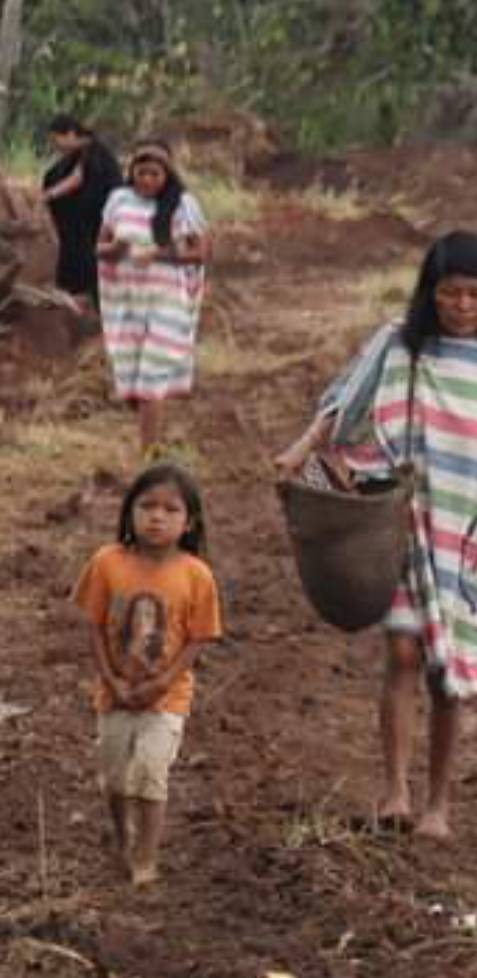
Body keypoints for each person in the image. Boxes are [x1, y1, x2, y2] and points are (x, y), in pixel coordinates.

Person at [273, 232, 477, 838]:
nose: (463, 306)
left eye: (476, 294)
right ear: (430, 292)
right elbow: (346, 401)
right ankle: (395, 790)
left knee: (448, 674)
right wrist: (301, 450)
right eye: (451, 293)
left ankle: (439, 803)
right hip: (405, 523)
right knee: (404, 653)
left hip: (471, 534)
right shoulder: (400, 344)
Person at [72, 462, 223, 885]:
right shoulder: (107, 563)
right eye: (147, 506)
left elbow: (199, 637)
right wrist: (111, 680)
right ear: (130, 512)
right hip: (114, 694)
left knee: (151, 775)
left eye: (170, 510)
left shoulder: (196, 575)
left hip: (166, 698)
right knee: (115, 778)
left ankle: (146, 855)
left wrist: (162, 681)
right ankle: (123, 837)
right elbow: (94, 627)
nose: (157, 517)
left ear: (189, 522)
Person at [96, 140, 210, 453]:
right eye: (141, 172)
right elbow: (100, 248)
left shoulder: (182, 204)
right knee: (132, 382)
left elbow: (200, 252)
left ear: (166, 175)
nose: (147, 180)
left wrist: (159, 255)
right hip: (127, 302)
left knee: (151, 378)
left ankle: (148, 452)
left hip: (167, 301)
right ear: (131, 172)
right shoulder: (119, 200)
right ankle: (152, 434)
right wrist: (116, 249)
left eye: (154, 174)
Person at [41, 115, 122, 313]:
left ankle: (87, 296)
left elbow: (77, 179)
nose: (55, 146)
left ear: (71, 133)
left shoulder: (95, 154)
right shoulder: (78, 156)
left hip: (95, 219)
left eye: (56, 140)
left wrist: (48, 195)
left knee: (88, 252)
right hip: (80, 224)